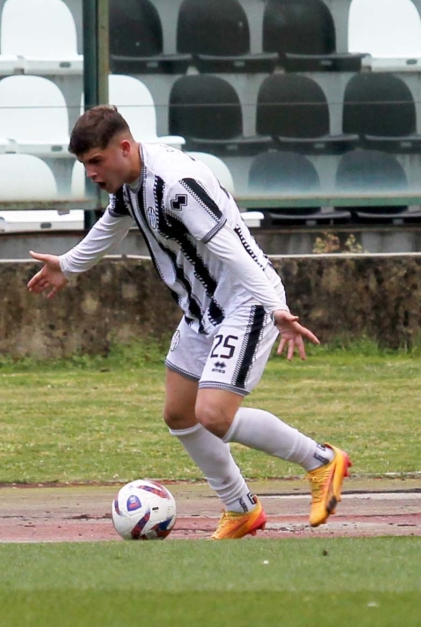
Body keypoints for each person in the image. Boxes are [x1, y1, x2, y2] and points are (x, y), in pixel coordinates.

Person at [27, 106, 350, 540]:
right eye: (85, 164)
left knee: (213, 414)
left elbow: (233, 248)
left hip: (246, 302)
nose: (91, 173)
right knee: (179, 414)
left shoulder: (176, 184)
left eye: (96, 161)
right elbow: (111, 226)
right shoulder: (129, 184)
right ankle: (240, 509)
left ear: (125, 148)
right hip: (201, 312)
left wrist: (275, 306)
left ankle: (322, 461)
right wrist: (68, 265)